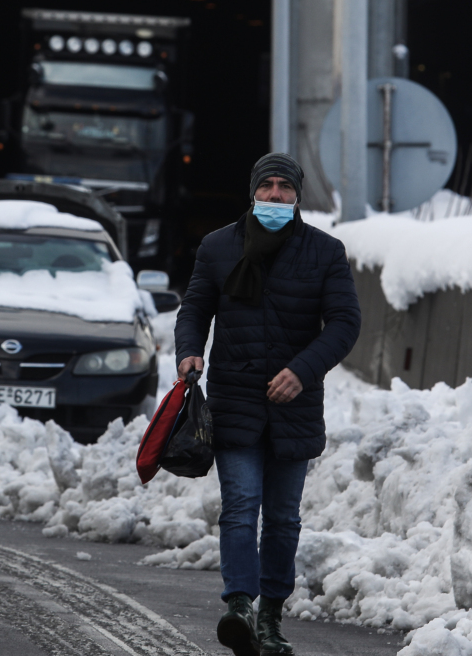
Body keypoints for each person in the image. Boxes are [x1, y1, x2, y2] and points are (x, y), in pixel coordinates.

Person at [174, 152, 360, 656]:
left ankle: (271, 618)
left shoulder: (324, 252)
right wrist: (189, 349)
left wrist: (302, 371)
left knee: (282, 518)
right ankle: (239, 607)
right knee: (239, 507)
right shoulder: (218, 247)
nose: (275, 195)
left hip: (294, 409)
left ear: (297, 195)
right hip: (234, 402)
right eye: (267, 186)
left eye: (284, 187)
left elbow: (345, 323)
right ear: (253, 191)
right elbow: (194, 308)